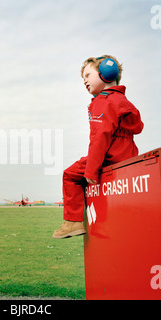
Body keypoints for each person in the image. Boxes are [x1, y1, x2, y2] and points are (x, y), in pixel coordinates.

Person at [53, 55, 144, 239]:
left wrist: (91, 170)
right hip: (127, 160)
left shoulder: (103, 102)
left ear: (106, 73)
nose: (84, 81)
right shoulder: (124, 102)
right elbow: (138, 127)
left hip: (107, 158)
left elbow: (100, 137)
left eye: (87, 75)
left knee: (69, 175)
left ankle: (73, 223)